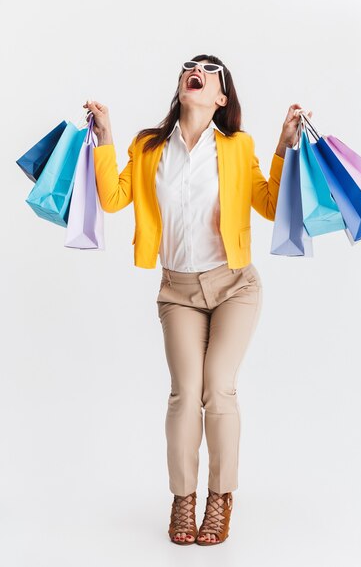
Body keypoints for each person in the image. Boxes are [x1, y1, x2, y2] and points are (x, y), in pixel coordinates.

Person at [83, 54, 312, 546]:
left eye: (211, 71)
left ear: (221, 96)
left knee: (217, 387)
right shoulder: (149, 147)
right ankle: (183, 499)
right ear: (183, 84)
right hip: (178, 292)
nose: (199, 71)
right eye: (192, 66)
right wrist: (104, 137)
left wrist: (282, 146)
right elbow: (113, 198)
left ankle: (220, 498)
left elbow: (270, 204)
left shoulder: (237, 147)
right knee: (185, 393)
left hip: (235, 287)